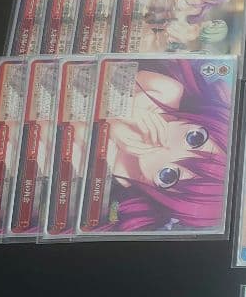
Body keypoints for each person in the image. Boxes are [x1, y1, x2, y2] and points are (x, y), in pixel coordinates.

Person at [98, 60, 233, 232]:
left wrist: (108, 128)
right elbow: (94, 72)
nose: (168, 148)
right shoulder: (167, 91)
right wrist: (119, 112)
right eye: (195, 139)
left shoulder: (114, 194)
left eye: (168, 176)